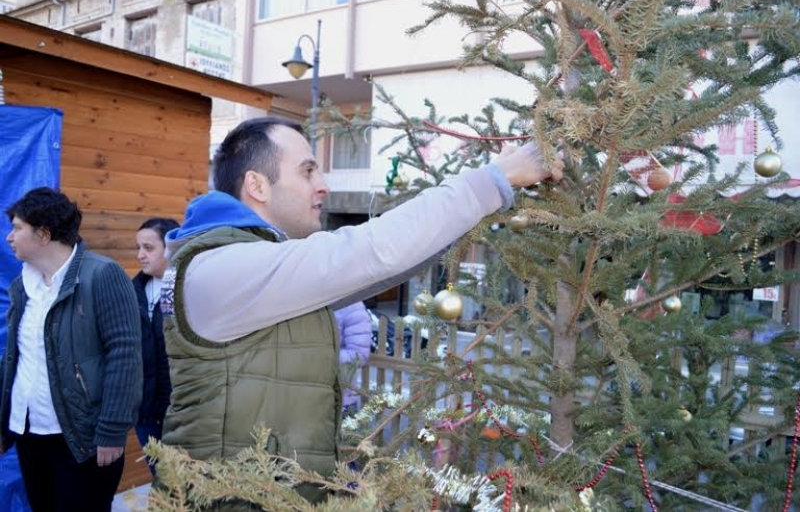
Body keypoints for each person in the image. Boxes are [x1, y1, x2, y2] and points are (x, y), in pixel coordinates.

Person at [159, 117, 562, 504]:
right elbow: (371, 251)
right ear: (256, 185)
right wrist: (494, 178)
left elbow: (381, 269)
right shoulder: (222, 268)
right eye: (308, 171)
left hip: (277, 495)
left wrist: (472, 211)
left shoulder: (262, 269)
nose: (323, 186)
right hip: (235, 500)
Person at [0, 187, 142, 512]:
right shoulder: (24, 285)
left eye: (17, 228)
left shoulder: (102, 274)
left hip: (82, 439)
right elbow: (17, 357)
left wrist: (112, 429)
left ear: (44, 234)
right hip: (29, 432)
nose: (9, 237)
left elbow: (125, 355)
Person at [132, 217, 179, 471]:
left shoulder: (187, 289)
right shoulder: (132, 292)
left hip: (182, 413)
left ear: (169, 248)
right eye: (138, 247)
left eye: (148, 248)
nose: (140, 255)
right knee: (161, 479)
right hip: (146, 413)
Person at [334, 301, 372, 413]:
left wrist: (321, 357)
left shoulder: (352, 305)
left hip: (341, 400)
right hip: (305, 397)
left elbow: (359, 354)